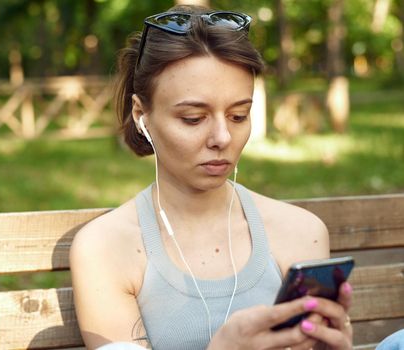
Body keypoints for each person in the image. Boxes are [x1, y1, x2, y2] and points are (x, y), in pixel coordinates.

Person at [70, 4, 353, 350]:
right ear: (142, 115)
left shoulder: (301, 232)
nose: (222, 137)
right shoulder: (106, 248)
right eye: (193, 118)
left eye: (238, 115)